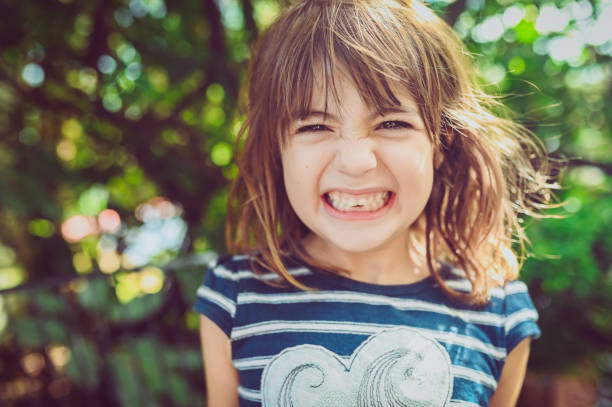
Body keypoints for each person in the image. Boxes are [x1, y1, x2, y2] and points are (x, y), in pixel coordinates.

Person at [194, 0, 556, 405]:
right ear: (277, 149)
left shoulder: (499, 312)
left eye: (392, 123)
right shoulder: (236, 296)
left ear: (441, 142)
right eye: (314, 125)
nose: (355, 162)